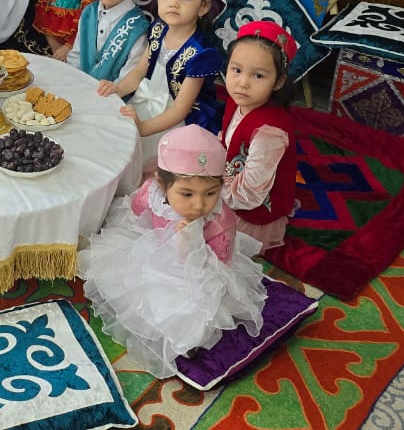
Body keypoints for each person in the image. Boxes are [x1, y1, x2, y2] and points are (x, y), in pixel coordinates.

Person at [78, 125, 267, 378]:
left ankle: (183, 340)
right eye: (187, 194)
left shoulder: (219, 223)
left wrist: (190, 243)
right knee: (115, 268)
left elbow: (216, 272)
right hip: (152, 250)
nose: (199, 205)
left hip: (195, 273)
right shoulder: (152, 192)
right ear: (162, 184)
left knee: (190, 317)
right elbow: (136, 208)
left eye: (211, 193)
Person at [96, 0, 227, 160]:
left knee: (154, 159)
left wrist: (144, 128)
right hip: (145, 102)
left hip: (178, 119)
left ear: (203, 6)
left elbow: (180, 109)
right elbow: (140, 70)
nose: (173, 3)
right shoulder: (158, 30)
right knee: (111, 143)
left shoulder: (201, 53)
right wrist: (118, 89)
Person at [221, 20, 299, 252]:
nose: (242, 83)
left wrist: (209, 187)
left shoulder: (269, 134)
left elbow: (250, 195)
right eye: (236, 70)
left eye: (258, 75)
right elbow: (227, 140)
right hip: (229, 181)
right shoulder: (237, 101)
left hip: (250, 210)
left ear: (278, 81)